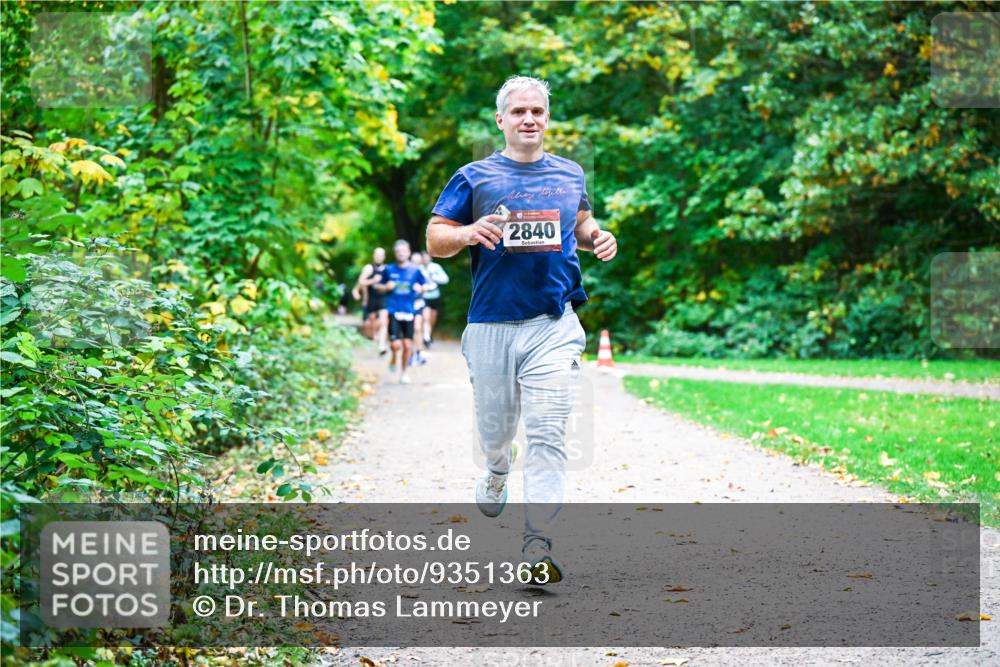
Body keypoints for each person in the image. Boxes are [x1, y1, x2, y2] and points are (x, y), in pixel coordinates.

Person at [426, 75, 617, 584]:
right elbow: (435, 238)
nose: (529, 119)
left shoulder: (571, 173)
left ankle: (538, 546)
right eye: (518, 112)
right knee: (496, 431)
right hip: (491, 323)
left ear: (547, 119)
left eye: (537, 111)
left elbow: (579, 222)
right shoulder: (474, 176)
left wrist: (598, 235)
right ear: (501, 120)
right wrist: (467, 232)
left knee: (549, 432)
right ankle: (495, 468)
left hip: (553, 323)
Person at [384, 239, 427, 384]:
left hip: (409, 312)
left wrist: (421, 288)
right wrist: (385, 287)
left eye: (403, 251)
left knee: (408, 345)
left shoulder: (416, 270)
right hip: (394, 311)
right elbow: (378, 286)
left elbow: (428, 285)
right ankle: (394, 356)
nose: (401, 254)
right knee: (396, 345)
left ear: (408, 252)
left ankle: (403, 373)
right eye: (398, 252)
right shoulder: (389, 269)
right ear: (395, 254)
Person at [352, 247, 389, 354]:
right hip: (371, 300)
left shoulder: (387, 269)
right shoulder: (369, 268)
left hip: (383, 299)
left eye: (381, 255)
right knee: (369, 324)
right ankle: (373, 336)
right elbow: (361, 282)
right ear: (374, 256)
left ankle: (382, 345)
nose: (379, 257)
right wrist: (372, 281)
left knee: (384, 321)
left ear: (384, 256)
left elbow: (391, 283)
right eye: (377, 254)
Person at [420, 251, 449, 347]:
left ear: (430, 257)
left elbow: (445, 279)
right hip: (424, 296)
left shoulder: (436, 267)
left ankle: (429, 334)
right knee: (426, 318)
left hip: (435, 296)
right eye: (423, 257)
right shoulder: (419, 268)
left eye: (426, 257)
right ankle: (426, 337)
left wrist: (434, 278)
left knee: (432, 319)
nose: (425, 259)